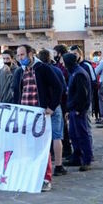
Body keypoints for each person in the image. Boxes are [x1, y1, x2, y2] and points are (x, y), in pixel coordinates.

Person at [12, 45, 62, 191]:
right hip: (25, 114)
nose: (20, 58)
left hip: (40, 114)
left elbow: (58, 87)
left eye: (22, 55)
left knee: (42, 148)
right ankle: (31, 176)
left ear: (31, 54)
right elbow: (16, 92)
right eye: (18, 55)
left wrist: (51, 107)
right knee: (27, 147)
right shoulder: (20, 72)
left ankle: (46, 179)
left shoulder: (43, 69)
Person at [38, 48, 67, 177]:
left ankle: (44, 165)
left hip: (41, 107)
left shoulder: (36, 70)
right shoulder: (56, 70)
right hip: (54, 106)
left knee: (42, 137)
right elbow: (62, 87)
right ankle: (58, 165)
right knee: (57, 136)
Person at [63, 52, 93, 173]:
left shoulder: (78, 73)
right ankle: (77, 157)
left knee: (82, 134)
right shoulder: (74, 72)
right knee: (74, 135)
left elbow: (82, 93)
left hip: (78, 110)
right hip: (73, 108)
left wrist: (79, 109)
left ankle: (86, 159)